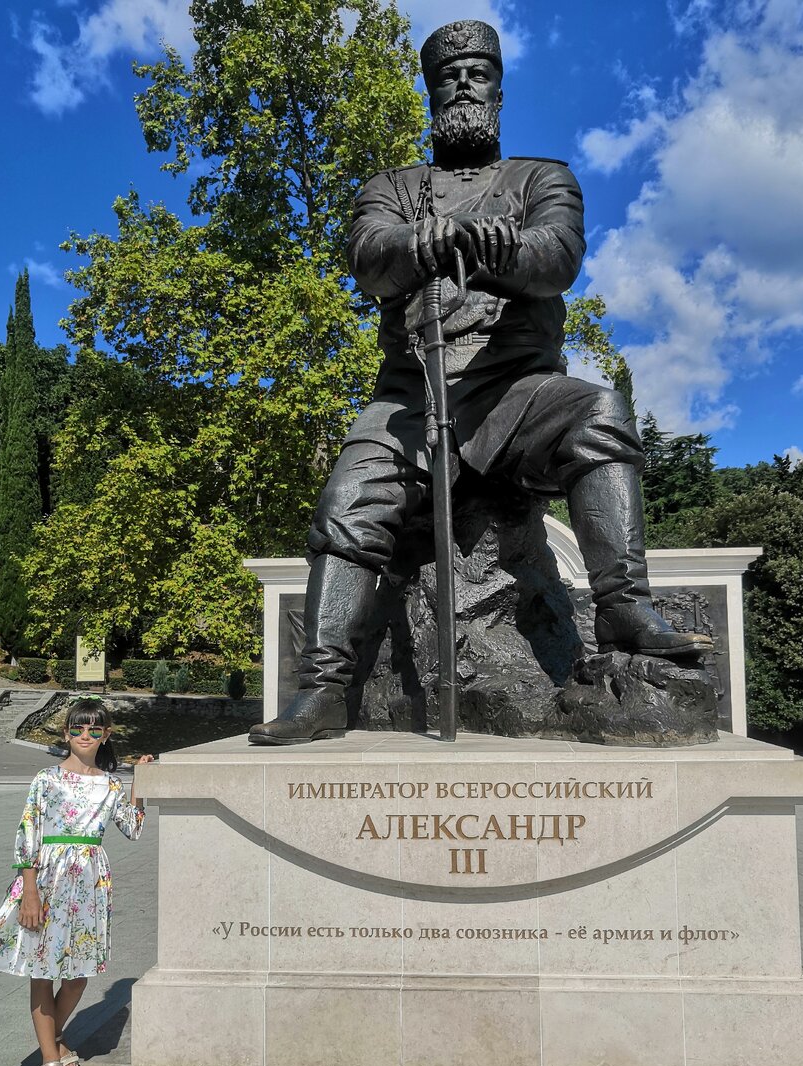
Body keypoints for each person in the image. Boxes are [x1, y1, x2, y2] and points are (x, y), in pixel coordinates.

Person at [249, 19, 711, 747]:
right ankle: (325, 687)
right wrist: (415, 243)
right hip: (412, 399)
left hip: (514, 394)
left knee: (601, 410)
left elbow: (556, 260)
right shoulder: (392, 188)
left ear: (499, 89)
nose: (463, 83)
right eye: (448, 74)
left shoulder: (542, 178)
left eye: (478, 72)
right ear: (431, 92)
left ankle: (623, 606)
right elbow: (370, 257)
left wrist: (497, 250)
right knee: (346, 501)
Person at [0, 697, 151, 1066]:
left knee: (78, 973)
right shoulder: (46, 779)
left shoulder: (111, 783)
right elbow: (27, 833)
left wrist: (141, 785)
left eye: (95, 729)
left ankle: (56, 1042)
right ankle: (49, 1061)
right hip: (46, 877)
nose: (85, 735)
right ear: (66, 733)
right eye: (78, 728)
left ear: (106, 735)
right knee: (42, 971)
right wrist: (30, 891)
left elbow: (132, 830)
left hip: (90, 882)